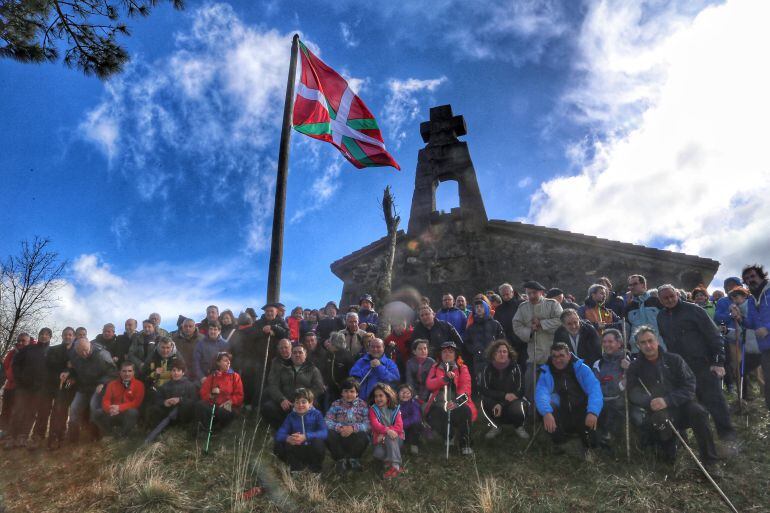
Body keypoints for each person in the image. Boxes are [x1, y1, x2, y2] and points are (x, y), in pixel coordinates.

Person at [625, 327, 719, 467]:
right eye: (643, 343)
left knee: (699, 413)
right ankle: (671, 449)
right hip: (657, 411)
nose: (648, 345)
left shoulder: (675, 360)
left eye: (650, 341)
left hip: (683, 405)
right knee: (668, 460)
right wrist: (649, 402)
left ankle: (710, 461)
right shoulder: (635, 367)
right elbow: (632, 392)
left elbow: (689, 385)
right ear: (638, 345)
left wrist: (668, 400)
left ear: (657, 341)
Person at [657, 284, 737, 444]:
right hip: (681, 368)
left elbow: (714, 335)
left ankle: (728, 438)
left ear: (677, 294)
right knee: (690, 405)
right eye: (665, 298)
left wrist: (718, 361)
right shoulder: (661, 317)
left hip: (704, 364)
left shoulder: (694, 310)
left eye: (672, 296)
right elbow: (666, 342)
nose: (669, 300)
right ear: (660, 300)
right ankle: (698, 439)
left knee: (715, 402)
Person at [535, 342, 602, 460]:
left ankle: (587, 446)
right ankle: (561, 443)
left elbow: (595, 390)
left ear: (569, 356)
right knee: (544, 410)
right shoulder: (546, 372)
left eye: (561, 355)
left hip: (581, 410)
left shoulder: (582, 368)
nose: (558, 360)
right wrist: (546, 413)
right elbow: (541, 393)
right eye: (554, 356)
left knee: (593, 440)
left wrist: (593, 412)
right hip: (561, 413)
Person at [513, 281, 563, 402]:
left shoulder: (552, 304)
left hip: (553, 354)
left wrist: (542, 323)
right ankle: (531, 412)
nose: (531, 296)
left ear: (541, 292)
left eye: (534, 293)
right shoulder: (523, 307)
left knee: (553, 387)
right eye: (528, 293)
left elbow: (562, 320)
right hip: (533, 355)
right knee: (530, 385)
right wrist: (530, 330)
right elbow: (516, 325)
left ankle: (552, 413)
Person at [425, 341, 477, 455]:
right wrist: (443, 379)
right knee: (432, 415)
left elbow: (466, 388)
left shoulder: (462, 368)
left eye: (450, 351)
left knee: (466, 411)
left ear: (455, 354)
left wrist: (456, 402)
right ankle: (449, 436)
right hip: (439, 402)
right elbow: (429, 384)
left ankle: (465, 443)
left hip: (457, 403)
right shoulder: (435, 367)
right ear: (440, 354)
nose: (447, 354)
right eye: (444, 352)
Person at [6, 328, 52, 450]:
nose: (43, 336)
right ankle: (11, 437)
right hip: (23, 387)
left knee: (30, 413)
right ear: (38, 335)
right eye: (41, 334)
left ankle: (23, 436)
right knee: (18, 411)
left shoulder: (51, 352)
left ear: (50, 337)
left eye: (47, 335)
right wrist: (19, 379)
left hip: (38, 389)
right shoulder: (28, 349)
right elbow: (16, 364)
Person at [66, 337, 118, 443]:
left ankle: (98, 435)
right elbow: (73, 370)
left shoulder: (102, 355)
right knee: (74, 408)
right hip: (83, 387)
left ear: (90, 345)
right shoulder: (75, 355)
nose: (84, 354)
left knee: (94, 408)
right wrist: (70, 376)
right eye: (81, 352)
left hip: (98, 388)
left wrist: (102, 383)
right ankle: (72, 438)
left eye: (86, 350)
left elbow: (113, 372)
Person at [262, 344, 325, 429]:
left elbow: (319, 388)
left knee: (315, 408)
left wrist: (303, 399)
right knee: (268, 407)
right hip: (286, 402)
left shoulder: (313, 369)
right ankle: (280, 428)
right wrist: (281, 399)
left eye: (300, 352)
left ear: (305, 355)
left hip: (304, 402)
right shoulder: (283, 368)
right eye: (294, 353)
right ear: (291, 355)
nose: (297, 355)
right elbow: (273, 385)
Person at [478, 339, 529, 440]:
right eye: (498, 351)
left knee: (519, 405)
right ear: (493, 354)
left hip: (512, 401)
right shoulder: (486, 369)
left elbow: (520, 390)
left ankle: (519, 426)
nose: (501, 354)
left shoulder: (516, 368)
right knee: (484, 401)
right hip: (495, 401)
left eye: (504, 351)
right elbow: (484, 389)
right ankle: (495, 426)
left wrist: (502, 404)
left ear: (508, 353)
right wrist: (503, 396)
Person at [274, 387, 328, 474]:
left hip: (312, 448)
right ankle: (296, 468)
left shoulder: (317, 414)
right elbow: (279, 434)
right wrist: (288, 438)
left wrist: (306, 436)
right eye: (297, 402)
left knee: (319, 442)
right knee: (279, 444)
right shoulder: (291, 416)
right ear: (293, 404)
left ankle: (315, 469)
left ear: (310, 403)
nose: (300, 405)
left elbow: (324, 432)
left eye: (304, 402)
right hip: (298, 447)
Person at [591, 329, 629, 450]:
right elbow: (595, 386)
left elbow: (632, 383)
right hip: (602, 401)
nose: (607, 345)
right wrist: (617, 387)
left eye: (610, 341)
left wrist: (629, 370)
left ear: (619, 343)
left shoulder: (628, 361)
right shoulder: (598, 363)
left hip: (621, 402)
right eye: (605, 342)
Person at [324, 377, 370, 473]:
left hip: (355, 437)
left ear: (357, 393)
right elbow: (327, 420)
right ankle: (340, 460)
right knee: (328, 433)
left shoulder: (363, 405)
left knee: (364, 435)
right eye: (346, 391)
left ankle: (354, 459)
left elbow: (368, 423)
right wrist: (339, 428)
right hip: (340, 436)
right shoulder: (336, 404)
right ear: (341, 393)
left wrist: (353, 428)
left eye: (352, 391)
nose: (349, 394)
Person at [740, 264, 770, 410]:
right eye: (746, 279)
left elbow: (764, 327)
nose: (750, 280)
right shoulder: (751, 299)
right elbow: (752, 323)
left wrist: (768, 328)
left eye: (752, 276)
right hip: (765, 348)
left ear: (761, 275)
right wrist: (740, 318)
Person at [92, 361, 145, 437]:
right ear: (120, 372)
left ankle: (123, 435)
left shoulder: (139, 385)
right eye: (124, 371)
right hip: (113, 413)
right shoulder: (112, 384)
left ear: (134, 372)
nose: (127, 374)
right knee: (96, 414)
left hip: (127, 414)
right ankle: (110, 434)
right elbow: (106, 400)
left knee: (133, 412)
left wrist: (119, 408)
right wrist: (110, 409)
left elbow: (136, 403)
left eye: (129, 371)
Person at [195, 352, 244, 433]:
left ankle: (221, 429)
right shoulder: (212, 377)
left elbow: (240, 395)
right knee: (200, 405)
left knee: (223, 411)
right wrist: (210, 395)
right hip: (214, 406)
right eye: (225, 360)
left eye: (229, 360)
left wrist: (230, 401)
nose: (228, 362)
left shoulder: (235, 376)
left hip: (228, 406)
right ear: (218, 363)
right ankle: (205, 428)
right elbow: (203, 393)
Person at [45, 327, 77, 450]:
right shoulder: (54, 349)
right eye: (65, 334)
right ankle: (54, 436)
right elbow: (49, 366)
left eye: (70, 335)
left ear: (74, 336)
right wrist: (64, 370)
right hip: (57, 385)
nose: (68, 337)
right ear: (62, 336)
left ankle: (65, 435)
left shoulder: (77, 350)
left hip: (73, 386)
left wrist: (71, 375)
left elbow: (79, 368)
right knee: (58, 411)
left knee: (71, 412)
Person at [369, 383, 405, 478]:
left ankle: (396, 466)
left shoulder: (395, 408)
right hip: (380, 439)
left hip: (396, 438)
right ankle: (388, 460)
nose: (378, 398)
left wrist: (387, 433)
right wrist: (387, 431)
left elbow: (399, 426)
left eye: (381, 395)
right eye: (376, 396)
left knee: (390, 437)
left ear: (387, 396)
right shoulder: (373, 409)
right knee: (378, 454)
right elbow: (375, 424)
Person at [0, 332, 31, 440]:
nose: (21, 342)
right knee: (6, 409)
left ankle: (16, 432)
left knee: (19, 411)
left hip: (22, 387)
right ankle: (3, 430)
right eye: (19, 340)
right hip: (9, 386)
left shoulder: (31, 353)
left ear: (28, 342)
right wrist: (8, 376)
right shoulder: (12, 352)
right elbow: (5, 366)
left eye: (24, 340)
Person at [150, 359, 198, 427]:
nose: (176, 373)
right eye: (174, 370)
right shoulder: (165, 385)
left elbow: (194, 401)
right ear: (171, 372)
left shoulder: (190, 385)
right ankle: (156, 427)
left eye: (178, 371)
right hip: (168, 413)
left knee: (186, 406)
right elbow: (157, 399)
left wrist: (180, 400)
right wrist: (164, 402)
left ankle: (183, 427)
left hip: (183, 415)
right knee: (154, 408)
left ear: (183, 372)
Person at [463, 298, 505, 376]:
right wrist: (474, 349)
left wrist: (497, 350)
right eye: (477, 307)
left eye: (481, 306)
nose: (479, 308)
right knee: (480, 381)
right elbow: (467, 342)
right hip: (478, 359)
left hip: (494, 358)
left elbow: (502, 339)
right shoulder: (471, 327)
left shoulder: (495, 324)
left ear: (486, 308)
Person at [624, 274, 664, 352]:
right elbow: (626, 331)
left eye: (635, 284)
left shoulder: (657, 302)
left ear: (643, 285)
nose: (632, 287)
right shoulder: (628, 308)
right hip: (637, 351)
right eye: (630, 285)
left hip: (659, 348)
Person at [320, 332, 355, 409]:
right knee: (329, 410)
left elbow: (351, 375)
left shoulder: (347, 356)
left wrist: (345, 387)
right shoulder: (328, 354)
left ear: (335, 344)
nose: (327, 344)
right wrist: (323, 383)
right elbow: (323, 370)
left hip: (343, 391)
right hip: (330, 389)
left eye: (329, 342)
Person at [192, 320, 229, 385]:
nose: (212, 331)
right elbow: (196, 362)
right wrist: (201, 377)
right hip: (203, 377)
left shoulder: (225, 344)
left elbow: (227, 363)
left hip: (220, 378)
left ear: (219, 331)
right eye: (211, 329)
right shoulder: (200, 344)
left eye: (215, 329)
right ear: (208, 330)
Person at [494, 283, 525, 356]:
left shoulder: (522, 305)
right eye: (503, 295)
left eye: (507, 294)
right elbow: (498, 326)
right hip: (508, 342)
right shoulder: (499, 309)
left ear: (512, 293)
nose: (506, 297)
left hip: (523, 340)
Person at [397, 384, 423, 454]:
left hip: (409, 427)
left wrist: (402, 424)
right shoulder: (395, 404)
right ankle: (400, 445)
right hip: (398, 429)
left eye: (408, 393)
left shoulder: (414, 404)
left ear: (411, 394)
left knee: (416, 425)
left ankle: (414, 444)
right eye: (403, 392)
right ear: (398, 393)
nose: (405, 395)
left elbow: (415, 417)